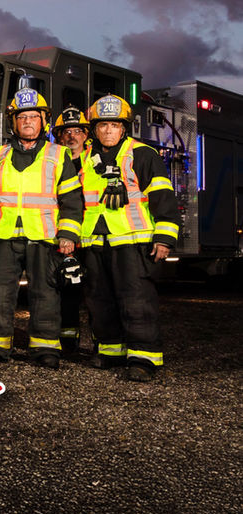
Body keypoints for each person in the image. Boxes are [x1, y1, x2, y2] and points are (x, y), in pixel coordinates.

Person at [0, 88, 83, 369]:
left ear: (44, 121)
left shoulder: (58, 155)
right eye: (22, 117)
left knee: (45, 293)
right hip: (3, 235)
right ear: (14, 122)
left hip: (44, 236)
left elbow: (71, 199)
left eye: (34, 116)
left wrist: (68, 234)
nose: (29, 121)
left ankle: (45, 348)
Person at [79, 95, 179, 382]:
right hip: (95, 240)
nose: (108, 131)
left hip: (132, 241)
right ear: (94, 129)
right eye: (102, 125)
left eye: (114, 125)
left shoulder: (143, 154)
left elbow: (162, 196)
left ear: (124, 128)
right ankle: (110, 351)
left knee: (136, 300)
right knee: (99, 300)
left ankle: (143, 357)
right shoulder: (84, 158)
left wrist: (163, 237)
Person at [52, 106, 91, 354]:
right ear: (58, 136)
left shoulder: (96, 161)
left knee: (97, 294)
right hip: (62, 235)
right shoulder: (52, 161)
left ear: (86, 135)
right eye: (66, 131)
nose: (72, 136)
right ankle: (68, 342)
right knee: (65, 291)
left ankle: (105, 345)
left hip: (91, 237)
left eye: (77, 131)